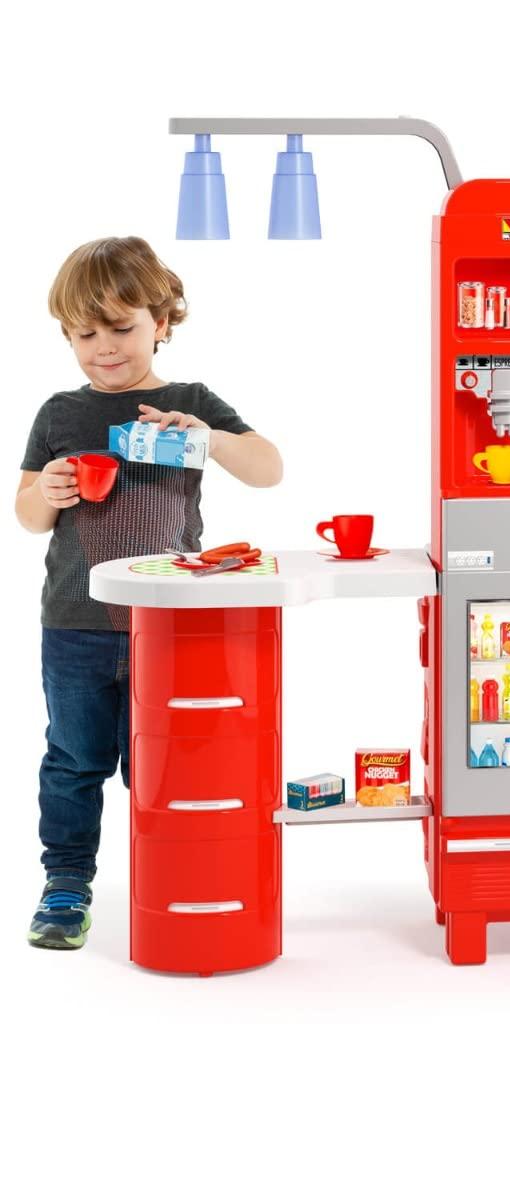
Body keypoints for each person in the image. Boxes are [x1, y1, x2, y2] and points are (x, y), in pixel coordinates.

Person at [16, 236, 283, 950]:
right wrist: (48, 490)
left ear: (161, 322)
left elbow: (268, 468)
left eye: (121, 327)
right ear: (67, 336)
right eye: (85, 334)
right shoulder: (59, 413)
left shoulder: (188, 402)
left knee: (167, 761)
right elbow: (28, 515)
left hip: (171, 626)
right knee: (74, 760)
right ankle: (66, 882)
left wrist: (209, 437)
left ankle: (170, 869)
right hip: (74, 623)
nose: (104, 347)